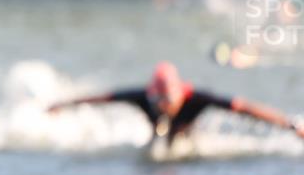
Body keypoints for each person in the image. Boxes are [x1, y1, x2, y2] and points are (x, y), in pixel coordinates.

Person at [48, 62, 304, 145]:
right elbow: (103, 99)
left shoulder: (196, 98)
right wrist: (63, 105)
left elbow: (246, 108)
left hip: (187, 136)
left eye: (167, 100)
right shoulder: (142, 97)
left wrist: (290, 125)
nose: (162, 105)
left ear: (180, 94)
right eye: (157, 100)